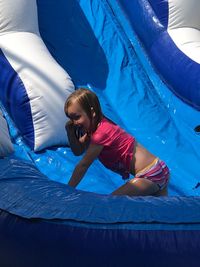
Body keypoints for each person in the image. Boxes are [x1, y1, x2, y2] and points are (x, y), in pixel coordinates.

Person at [64, 88, 169, 196]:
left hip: (149, 174)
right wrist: (70, 132)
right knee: (160, 211)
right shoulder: (95, 128)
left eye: (77, 117)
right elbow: (78, 150)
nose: (74, 123)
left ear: (92, 112)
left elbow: (83, 165)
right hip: (159, 168)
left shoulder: (102, 133)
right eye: (71, 118)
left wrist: (67, 191)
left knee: (110, 203)